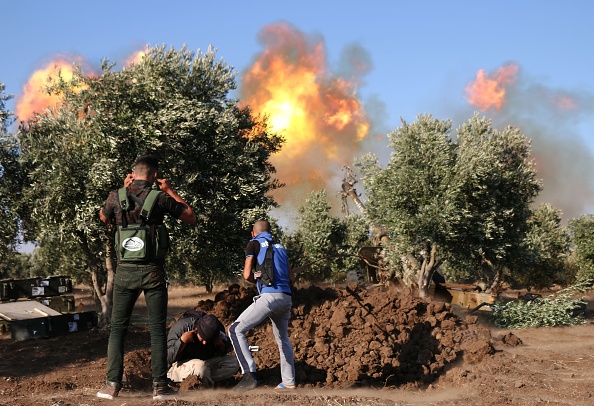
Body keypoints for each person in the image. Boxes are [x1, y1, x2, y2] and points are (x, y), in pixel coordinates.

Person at [96, 155, 196, 401]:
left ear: (133, 173)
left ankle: (112, 385)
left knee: (118, 329)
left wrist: (122, 188)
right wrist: (170, 189)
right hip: (153, 272)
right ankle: (160, 386)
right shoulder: (160, 197)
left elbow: (103, 218)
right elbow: (190, 216)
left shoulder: (115, 197)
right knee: (157, 330)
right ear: (153, 175)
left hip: (125, 272)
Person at [228, 220, 296, 391]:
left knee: (235, 330)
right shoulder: (281, 246)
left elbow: (246, 275)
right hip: (286, 298)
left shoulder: (254, 244)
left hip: (269, 296)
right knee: (283, 340)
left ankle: (249, 375)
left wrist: (256, 280)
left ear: (253, 233)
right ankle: (289, 382)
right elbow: (292, 279)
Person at [166, 310, 239, 387]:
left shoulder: (217, 331)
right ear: (197, 330)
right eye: (202, 338)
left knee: (234, 362)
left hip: (205, 363)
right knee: (200, 367)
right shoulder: (181, 328)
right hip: (178, 366)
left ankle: (203, 379)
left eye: (208, 340)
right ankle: (205, 387)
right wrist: (182, 341)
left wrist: (220, 344)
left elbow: (223, 353)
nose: (204, 343)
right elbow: (168, 358)